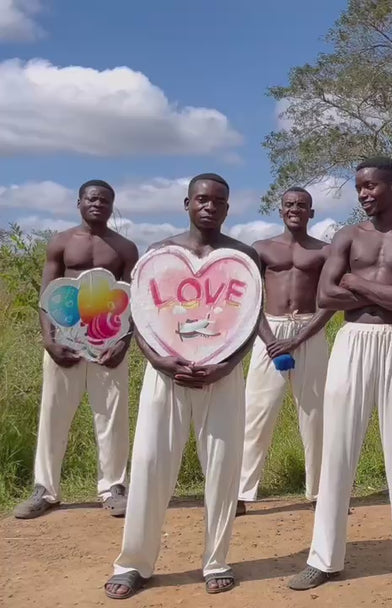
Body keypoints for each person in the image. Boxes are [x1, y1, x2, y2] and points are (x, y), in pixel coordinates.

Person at [287, 158, 392, 596]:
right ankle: (324, 557)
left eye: (371, 186)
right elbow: (325, 294)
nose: (364, 194)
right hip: (352, 342)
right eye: (359, 188)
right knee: (337, 449)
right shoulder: (347, 236)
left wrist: (355, 283)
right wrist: (369, 291)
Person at [104, 173, 260, 599]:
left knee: (223, 472)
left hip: (223, 378)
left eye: (218, 201)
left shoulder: (244, 257)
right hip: (165, 377)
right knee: (151, 467)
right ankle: (134, 562)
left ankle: (217, 560)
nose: (209, 206)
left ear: (228, 208)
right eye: (201, 199)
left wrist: (226, 365)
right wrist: (160, 362)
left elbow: (248, 324)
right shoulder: (159, 254)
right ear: (186, 203)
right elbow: (141, 318)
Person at [14, 180, 139, 520]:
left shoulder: (125, 248)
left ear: (113, 206)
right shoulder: (62, 242)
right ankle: (45, 490)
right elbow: (46, 295)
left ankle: (113, 487)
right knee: (54, 414)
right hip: (64, 343)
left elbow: (132, 301)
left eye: (105, 200)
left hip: (108, 344)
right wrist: (49, 341)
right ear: (79, 202)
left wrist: (123, 344)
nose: (98, 204)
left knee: (112, 416)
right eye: (92, 198)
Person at [236, 187, 334, 516]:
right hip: (269, 330)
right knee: (256, 413)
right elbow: (249, 299)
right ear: (280, 211)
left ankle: (320, 492)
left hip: (309, 330)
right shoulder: (261, 249)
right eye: (289, 205)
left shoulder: (324, 251)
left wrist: (297, 339)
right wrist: (270, 340)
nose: (295, 210)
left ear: (312, 213)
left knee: (316, 414)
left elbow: (329, 302)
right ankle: (242, 491)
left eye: (302, 206)